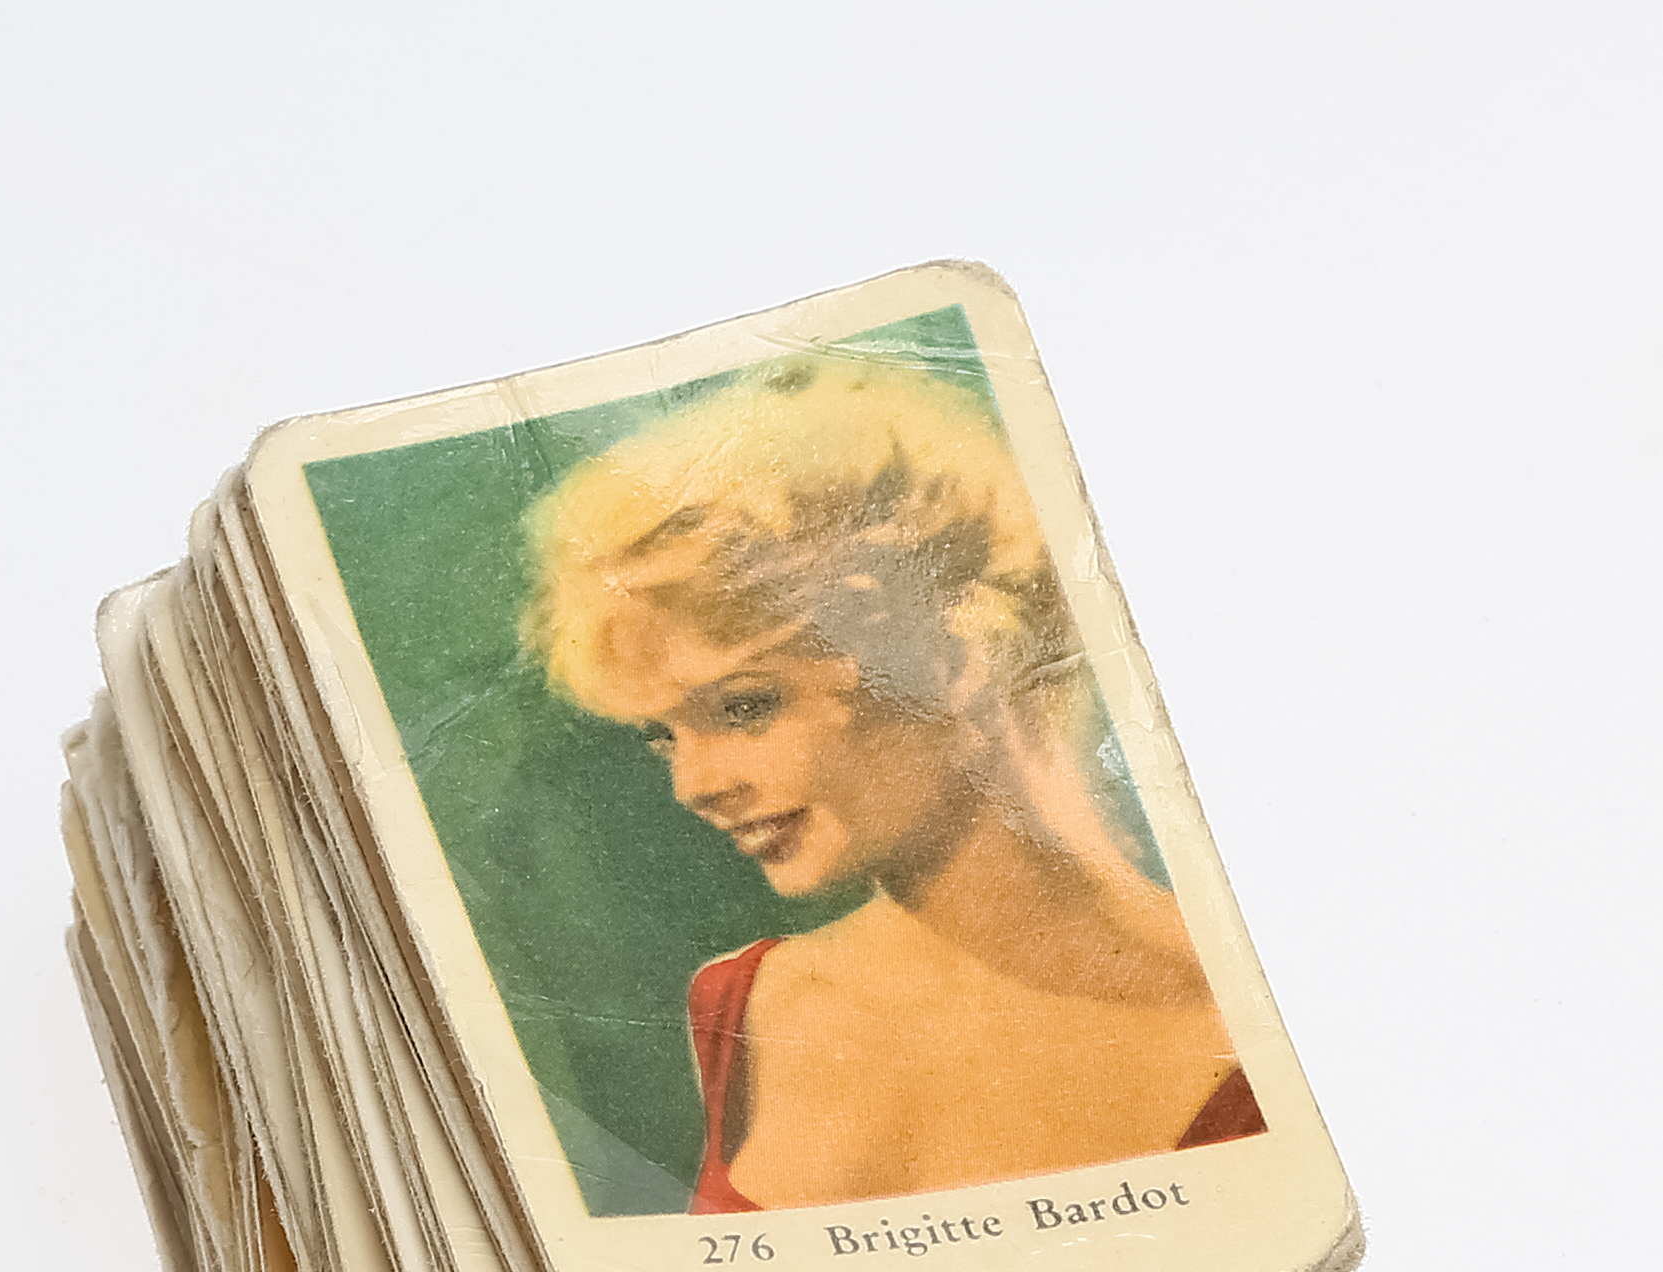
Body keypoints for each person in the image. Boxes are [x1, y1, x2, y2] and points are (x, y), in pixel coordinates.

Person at [520, 355, 1263, 1214]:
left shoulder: (1247, 1012)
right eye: (663, 737)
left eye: (745, 706)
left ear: (951, 659)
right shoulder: (748, 1003)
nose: (694, 785)